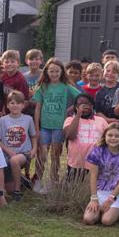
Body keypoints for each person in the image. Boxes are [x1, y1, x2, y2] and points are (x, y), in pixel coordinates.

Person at [32, 59, 80, 193]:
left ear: (61, 72)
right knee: (42, 155)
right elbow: (37, 108)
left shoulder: (65, 86)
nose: (54, 74)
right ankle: (38, 179)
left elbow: (81, 97)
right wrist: (36, 126)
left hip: (59, 126)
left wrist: (70, 110)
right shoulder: (43, 87)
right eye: (51, 71)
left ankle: (53, 181)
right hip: (45, 126)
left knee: (55, 155)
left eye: (57, 71)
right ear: (46, 72)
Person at [83, 123, 119, 226]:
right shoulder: (97, 151)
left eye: (117, 136)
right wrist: (94, 199)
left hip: (118, 193)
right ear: (105, 136)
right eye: (110, 135)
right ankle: (101, 211)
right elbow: (93, 176)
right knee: (88, 219)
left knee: (106, 221)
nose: (113, 138)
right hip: (100, 192)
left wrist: (111, 199)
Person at [0, 91, 37, 201]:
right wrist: (8, 151)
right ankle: (20, 180)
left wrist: (34, 149)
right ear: (7, 105)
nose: (15, 106)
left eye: (18, 103)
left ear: (23, 105)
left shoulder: (28, 119)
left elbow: (33, 136)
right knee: (9, 188)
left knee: (15, 161)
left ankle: (17, 191)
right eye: (12, 103)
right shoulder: (2, 121)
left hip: (23, 153)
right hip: (7, 155)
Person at [64, 93, 109, 180]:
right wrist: (78, 114)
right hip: (76, 163)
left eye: (87, 104)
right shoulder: (70, 120)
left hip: (96, 162)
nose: (84, 106)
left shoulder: (101, 121)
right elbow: (70, 136)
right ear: (75, 107)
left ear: (92, 106)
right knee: (75, 188)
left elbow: (108, 139)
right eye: (80, 104)